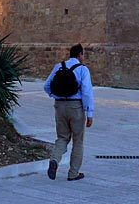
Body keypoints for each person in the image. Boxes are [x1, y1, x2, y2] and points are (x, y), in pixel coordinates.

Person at [43, 43, 94, 181]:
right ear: (79, 55)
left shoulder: (58, 66)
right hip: (76, 107)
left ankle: (54, 160)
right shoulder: (83, 69)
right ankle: (73, 173)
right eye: (83, 54)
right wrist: (89, 113)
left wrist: (55, 96)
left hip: (59, 106)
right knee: (78, 140)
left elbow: (46, 85)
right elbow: (87, 92)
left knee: (62, 137)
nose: (83, 57)